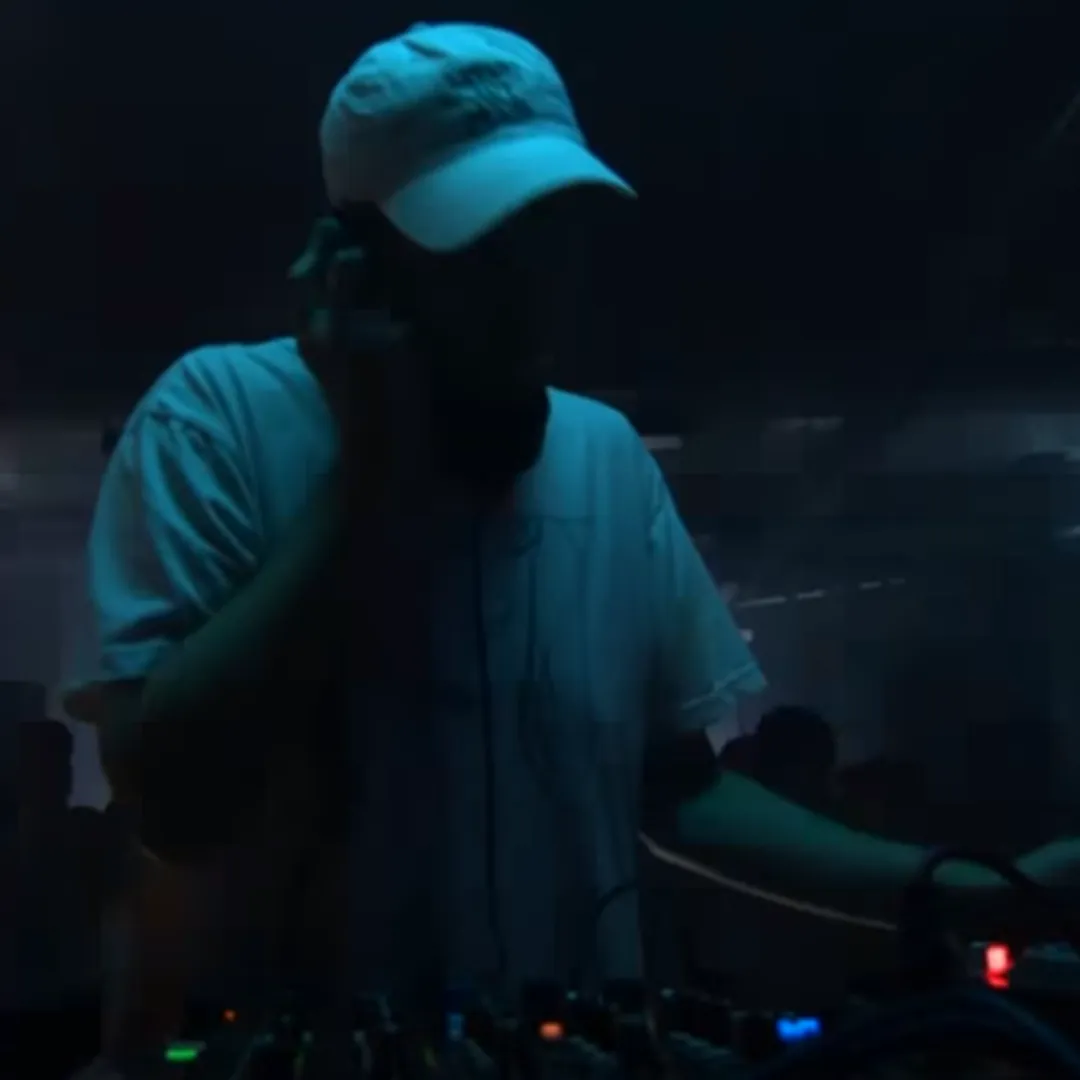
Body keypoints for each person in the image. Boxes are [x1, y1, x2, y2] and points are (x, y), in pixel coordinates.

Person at [62, 21, 1080, 1077]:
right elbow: (176, 795)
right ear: (357, 263)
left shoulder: (605, 459)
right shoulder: (216, 419)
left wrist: (970, 893)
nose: (534, 284)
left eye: (554, 232)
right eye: (485, 243)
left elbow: (674, 785)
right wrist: (362, 481)